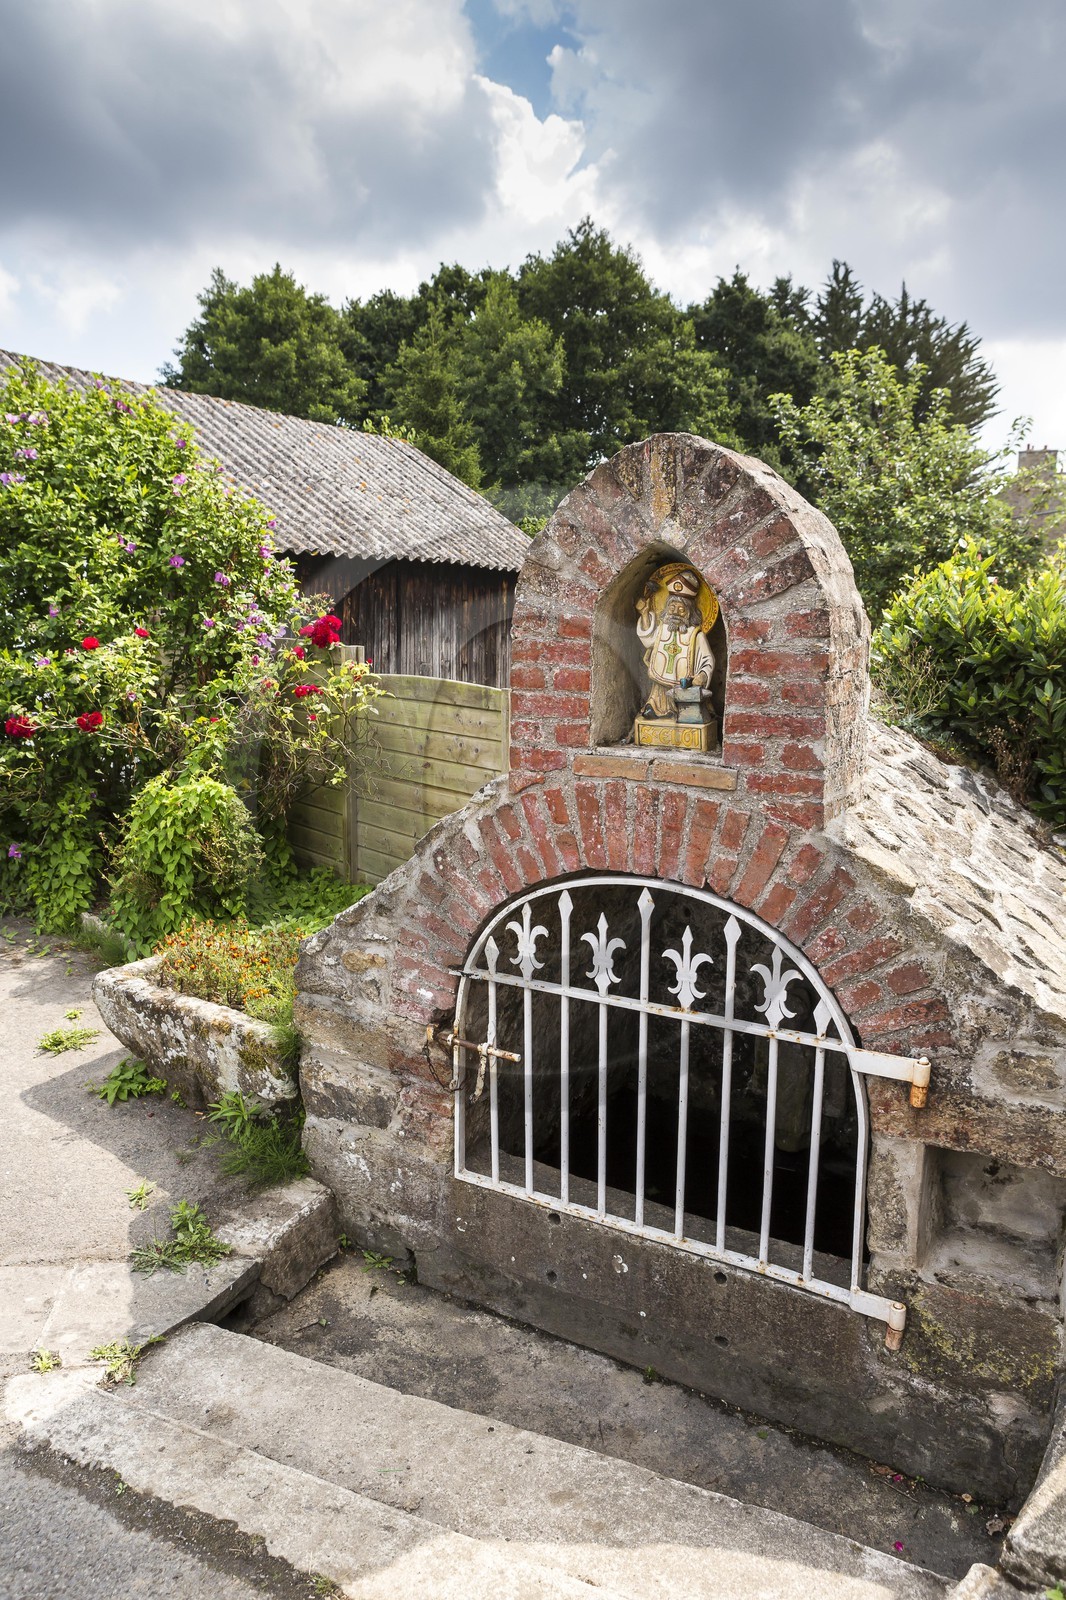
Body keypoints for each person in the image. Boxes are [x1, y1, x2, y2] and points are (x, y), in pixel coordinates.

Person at [636, 569, 715, 719]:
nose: (676, 613)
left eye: (681, 609)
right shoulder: (662, 629)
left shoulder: (695, 635)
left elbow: (707, 661)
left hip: (685, 687)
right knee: (654, 704)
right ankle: (657, 709)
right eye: (672, 608)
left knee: (689, 709)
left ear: (690, 612)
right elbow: (648, 640)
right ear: (666, 609)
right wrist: (645, 614)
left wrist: (703, 676)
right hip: (660, 691)